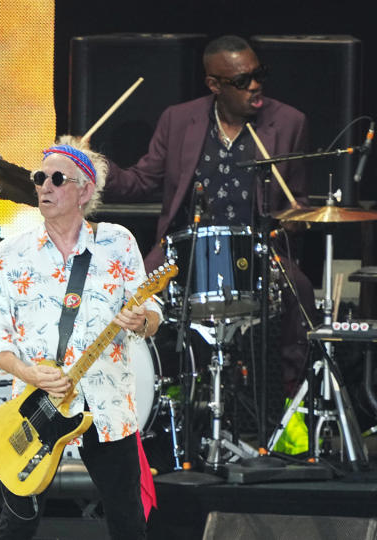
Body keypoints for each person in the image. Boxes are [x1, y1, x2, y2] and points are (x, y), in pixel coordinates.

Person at [103, 34, 316, 394]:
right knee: (127, 295)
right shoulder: (178, 120)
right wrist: (95, 169)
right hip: (182, 250)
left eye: (259, 74)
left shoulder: (289, 122)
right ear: (214, 84)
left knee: (301, 291)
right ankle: (142, 396)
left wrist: (296, 218)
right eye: (241, 81)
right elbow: (141, 181)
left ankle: (292, 397)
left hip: (256, 251)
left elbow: (296, 200)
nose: (255, 86)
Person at [0, 143, 162, 540]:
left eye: (57, 178)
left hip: (107, 404)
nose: (45, 185)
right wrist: (31, 374)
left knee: (127, 518)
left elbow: (151, 313)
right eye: (39, 178)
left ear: (84, 190)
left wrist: (141, 320)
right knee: (16, 526)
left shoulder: (117, 242)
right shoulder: (11, 253)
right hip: (35, 404)